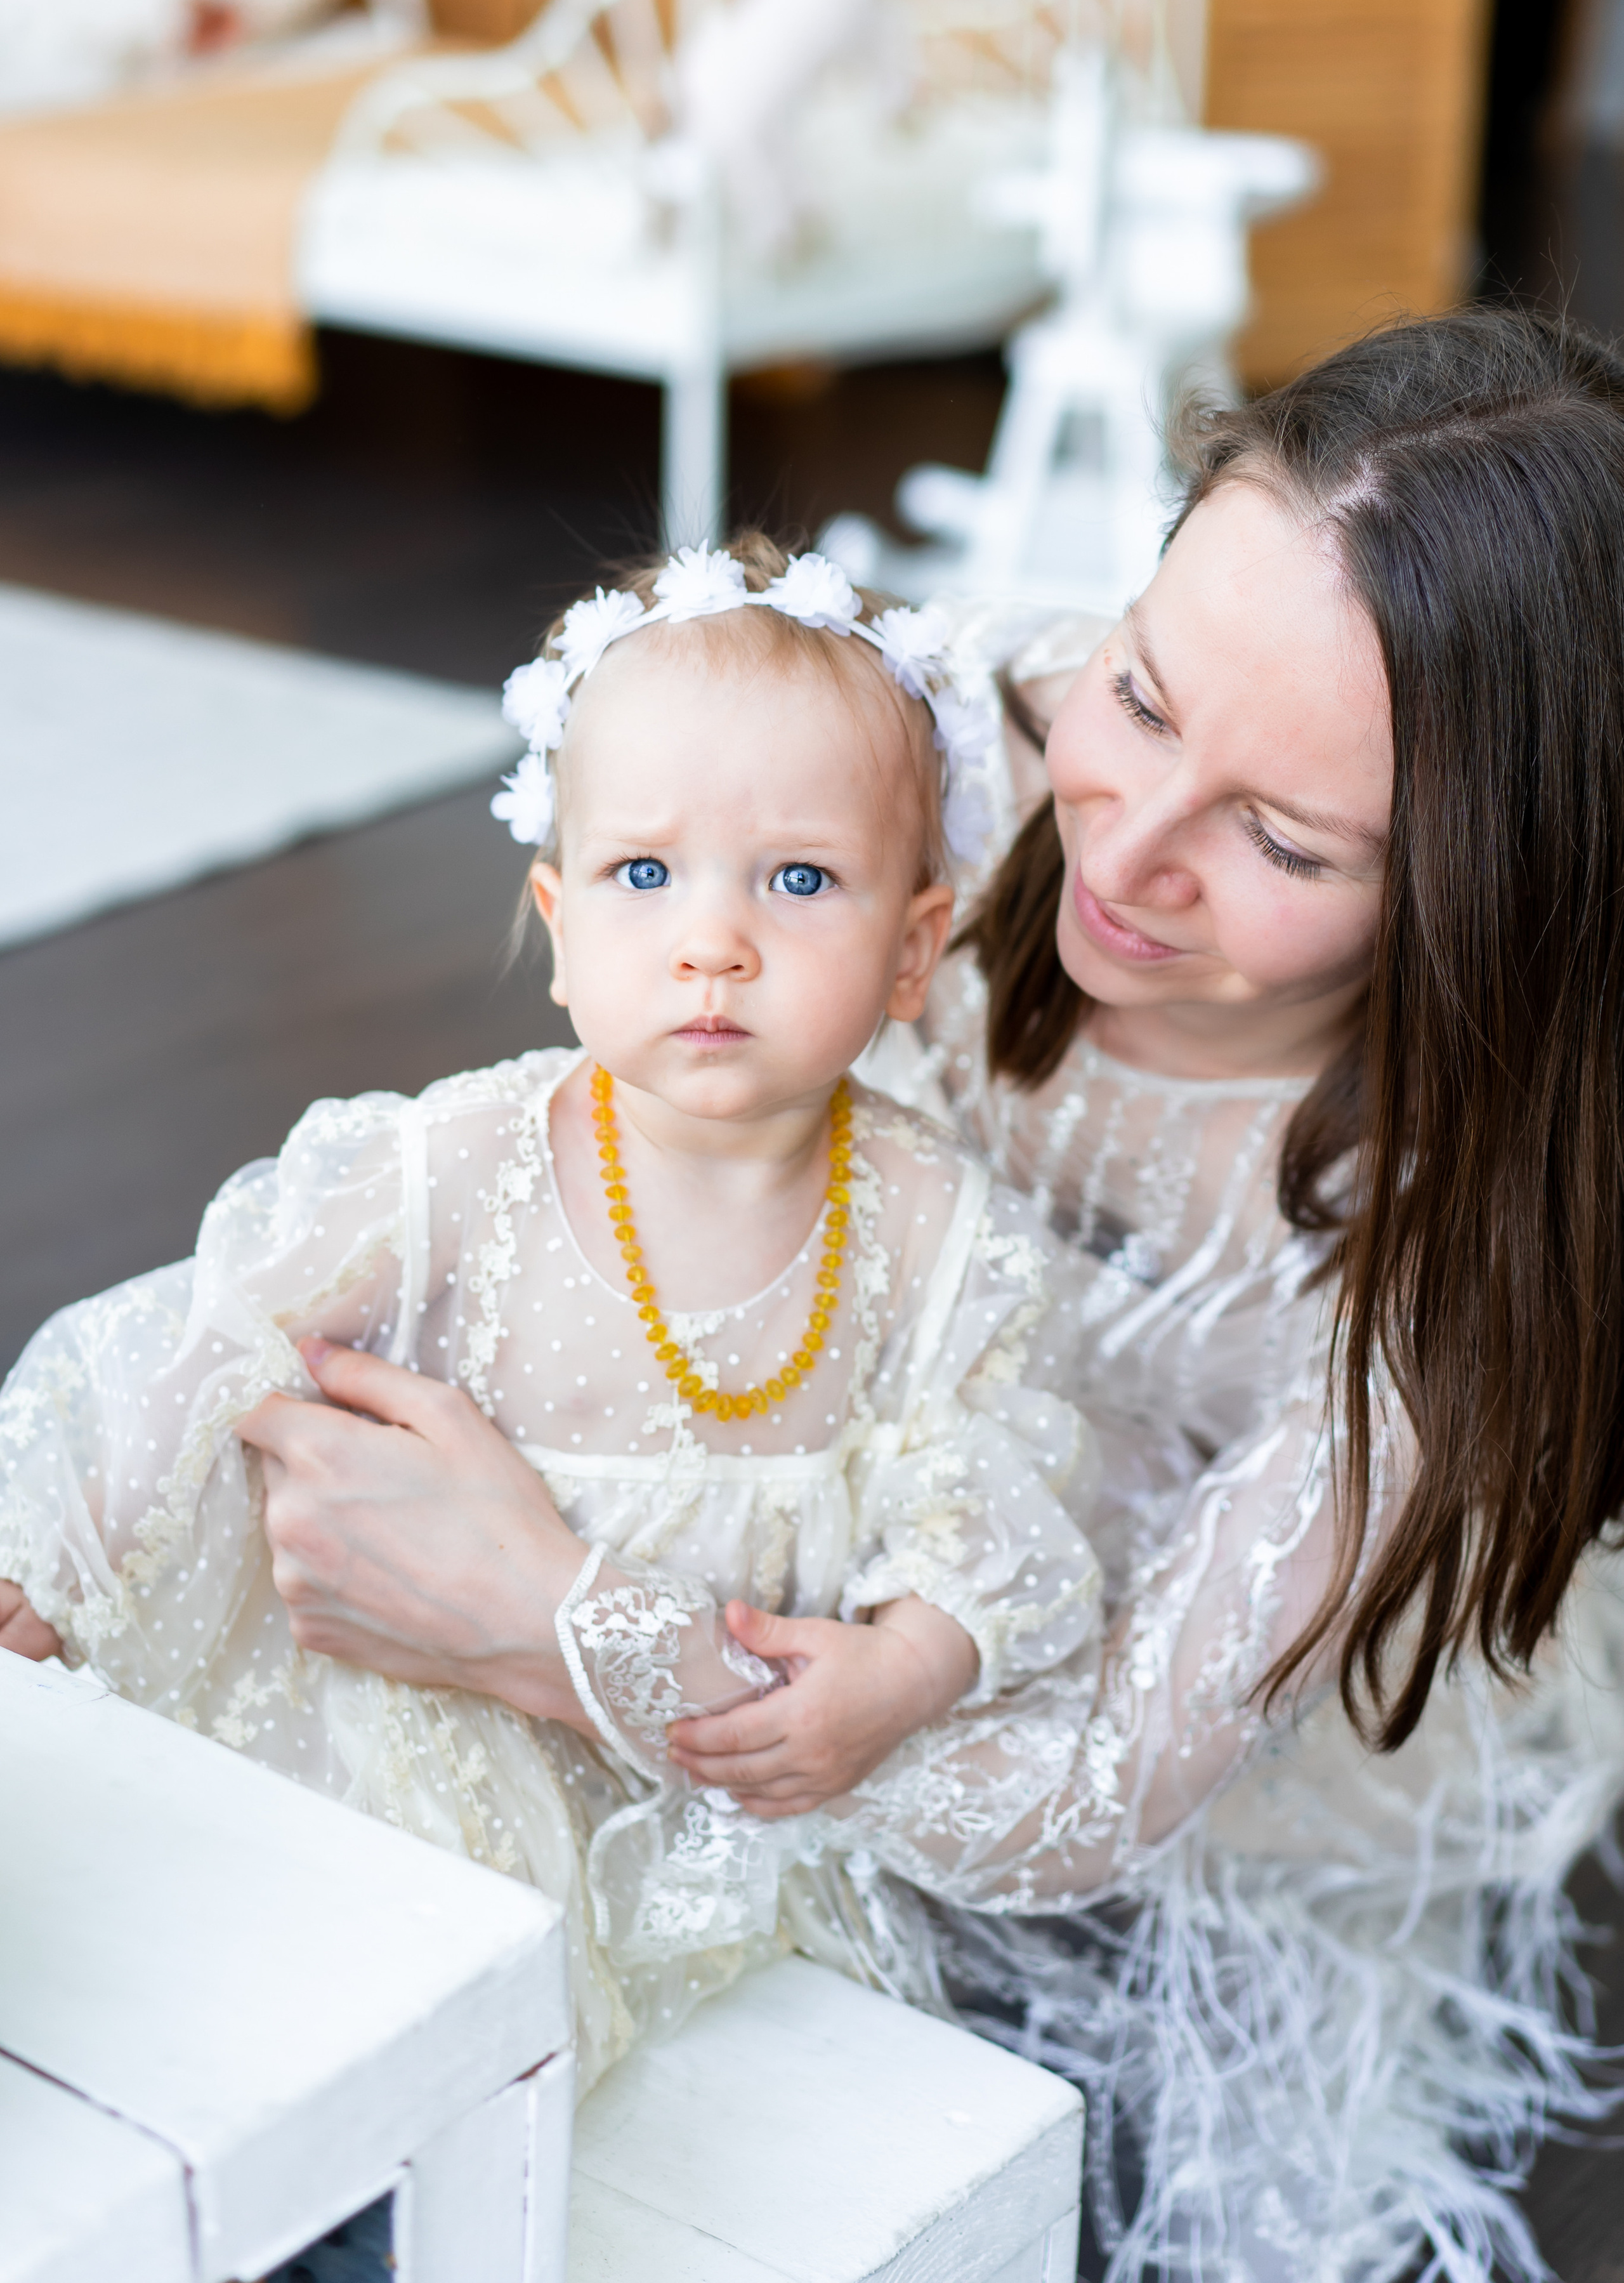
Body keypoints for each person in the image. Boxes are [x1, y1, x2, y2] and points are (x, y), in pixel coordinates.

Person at [10, 308, 1624, 2281]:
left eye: (1282, 840)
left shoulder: (1449, 1270)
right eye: (1139, 693)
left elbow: (1078, 1796)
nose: (1126, 848)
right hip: (792, 1441)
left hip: (1117, 1684)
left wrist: (567, 1628)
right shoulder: (945, 752)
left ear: (1477, 896)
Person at [0, 533, 1103, 2093]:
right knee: (396, 2039)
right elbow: (207, 1339)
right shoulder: (459, 1161)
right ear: (561, 922)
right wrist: (49, 1558)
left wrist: (914, 1661)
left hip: (709, 1796)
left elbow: (990, 1483)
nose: (712, 941)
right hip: (435, 1749)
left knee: (744, 2099)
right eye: (642, 875)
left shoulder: (937, 1230)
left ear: (913, 948)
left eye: (798, 879)